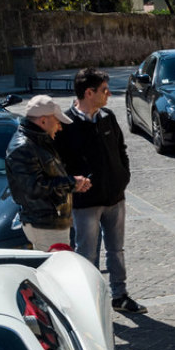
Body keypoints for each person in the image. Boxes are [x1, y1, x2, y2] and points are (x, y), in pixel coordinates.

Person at [53, 67, 146, 314]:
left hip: (115, 198)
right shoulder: (65, 124)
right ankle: (90, 302)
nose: (109, 94)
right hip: (85, 203)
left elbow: (121, 149)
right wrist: (73, 182)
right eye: (104, 90)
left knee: (116, 250)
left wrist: (122, 177)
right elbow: (57, 164)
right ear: (88, 92)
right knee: (87, 254)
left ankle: (120, 296)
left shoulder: (107, 116)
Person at [5, 95, 90, 251]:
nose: (59, 127)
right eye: (57, 121)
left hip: (51, 222)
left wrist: (73, 184)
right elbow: (35, 188)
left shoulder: (38, 142)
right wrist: (71, 183)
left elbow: (48, 178)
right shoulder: (23, 147)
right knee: (58, 271)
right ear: (43, 121)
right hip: (45, 225)